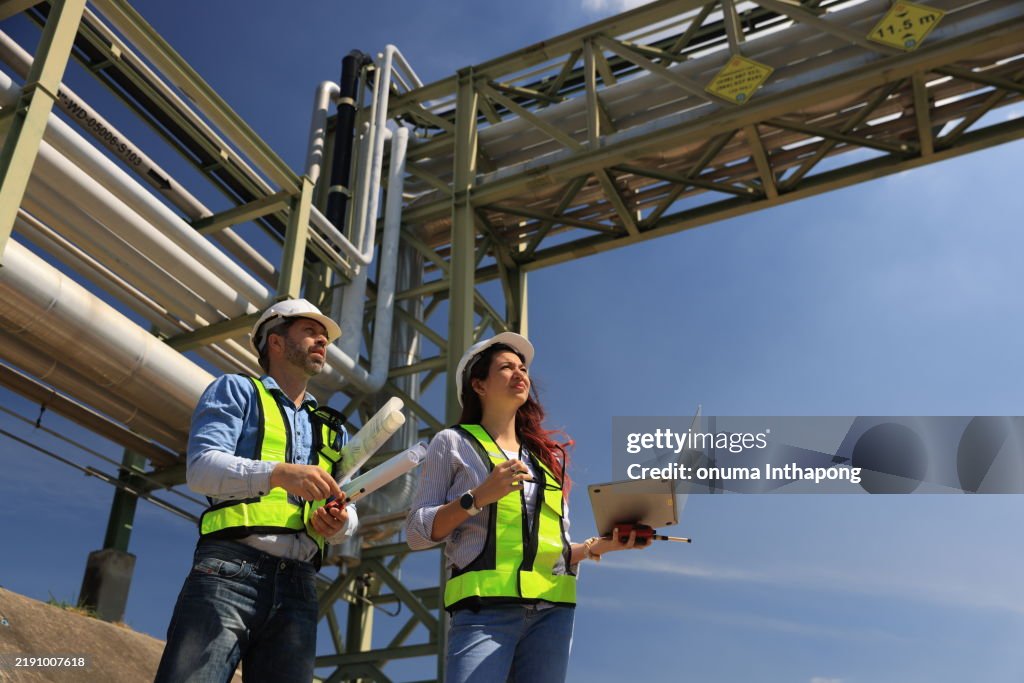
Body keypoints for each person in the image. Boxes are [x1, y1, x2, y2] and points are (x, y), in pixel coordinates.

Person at [405, 332, 647, 683]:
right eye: (506, 367)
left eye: (523, 368)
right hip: (484, 613)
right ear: (479, 384)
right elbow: (416, 532)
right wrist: (477, 497)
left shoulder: (547, 463)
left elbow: (555, 551)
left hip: (552, 616)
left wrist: (604, 544)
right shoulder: (452, 443)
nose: (521, 374)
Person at [155, 298, 359, 683]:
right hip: (230, 569)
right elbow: (200, 469)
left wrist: (341, 522)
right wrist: (278, 474)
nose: (322, 341)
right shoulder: (236, 391)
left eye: (324, 336)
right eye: (310, 331)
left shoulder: (332, 428)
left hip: (300, 583)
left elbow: (348, 503)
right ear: (276, 342)